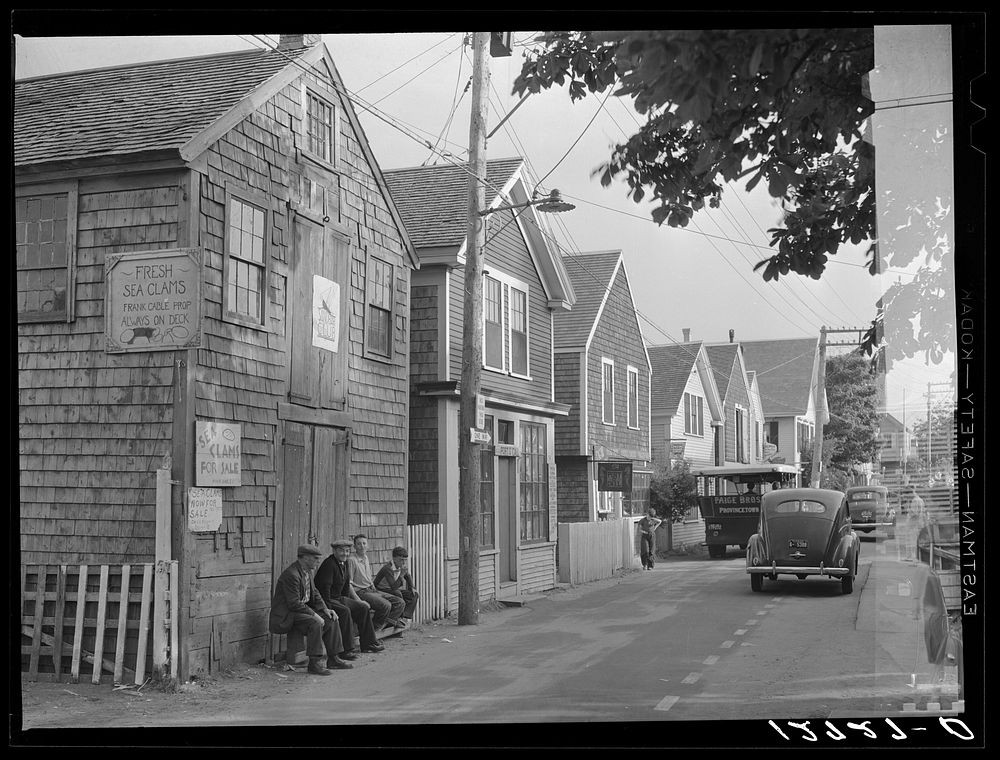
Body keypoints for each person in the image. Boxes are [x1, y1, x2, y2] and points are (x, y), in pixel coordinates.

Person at [268, 544, 354, 676]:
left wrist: (326, 609)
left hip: (300, 611)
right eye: (315, 558)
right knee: (315, 623)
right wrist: (314, 615)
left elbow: (315, 593)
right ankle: (314, 663)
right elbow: (294, 604)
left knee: (332, 618)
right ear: (306, 558)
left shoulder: (306, 571)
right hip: (287, 615)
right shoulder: (292, 574)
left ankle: (333, 658)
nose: (318, 561)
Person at [315, 539, 384, 654]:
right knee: (345, 611)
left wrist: (352, 601)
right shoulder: (329, 564)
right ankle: (347, 650)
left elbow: (346, 586)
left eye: (347, 551)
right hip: (326, 600)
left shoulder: (345, 563)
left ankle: (368, 644)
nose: (345, 554)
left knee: (362, 607)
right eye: (341, 551)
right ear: (334, 551)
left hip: (338, 598)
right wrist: (327, 608)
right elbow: (324, 589)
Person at [349, 534, 405, 630]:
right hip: (360, 592)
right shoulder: (352, 560)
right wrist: (357, 599)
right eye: (359, 544)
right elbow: (348, 583)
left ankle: (386, 624)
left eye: (364, 543)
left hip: (371, 590)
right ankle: (374, 632)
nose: (362, 546)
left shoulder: (366, 558)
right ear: (354, 547)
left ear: (367, 545)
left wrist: (372, 585)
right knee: (386, 605)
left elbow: (367, 577)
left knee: (400, 602)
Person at [374, 546, 419, 625]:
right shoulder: (388, 568)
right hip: (380, 589)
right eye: (401, 560)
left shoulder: (400, 566)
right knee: (397, 593)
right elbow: (394, 587)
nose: (403, 563)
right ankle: (397, 618)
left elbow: (407, 576)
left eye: (405, 560)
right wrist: (401, 575)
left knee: (413, 595)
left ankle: (404, 617)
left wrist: (412, 587)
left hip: (390, 589)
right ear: (394, 559)